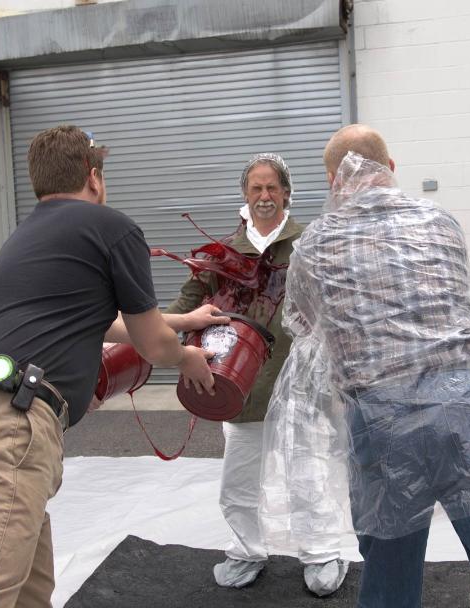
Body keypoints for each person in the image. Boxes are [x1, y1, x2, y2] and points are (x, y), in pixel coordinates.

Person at [0, 125, 221, 608]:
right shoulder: (111, 228)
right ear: (94, 179)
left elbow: (98, 319)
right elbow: (151, 343)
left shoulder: (30, 237)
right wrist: (186, 356)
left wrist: (184, 319)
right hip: (6, 425)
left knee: (28, 595)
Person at [280, 124, 470, 607]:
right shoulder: (440, 221)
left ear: (333, 181)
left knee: (390, 579)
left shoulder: (314, 245)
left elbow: (304, 324)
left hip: (381, 420)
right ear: (389, 169)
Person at [167, 153, 348, 596]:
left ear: (286, 193)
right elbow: (184, 307)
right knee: (240, 477)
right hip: (242, 386)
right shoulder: (224, 253)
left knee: (308, 473)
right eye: (256, 188)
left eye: (272, 188)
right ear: (245, 195)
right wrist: (143, 334)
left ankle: (321, 551)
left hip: (302, 384)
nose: (264, 196)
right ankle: (247, 549)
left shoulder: (311, 242)